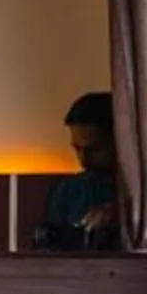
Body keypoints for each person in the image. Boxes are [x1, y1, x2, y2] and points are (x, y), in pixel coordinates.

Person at [34, 91, 124, 251]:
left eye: (93, 149)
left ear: (119, 140)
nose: (83, 160)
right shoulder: (68, 192)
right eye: (77, 149)